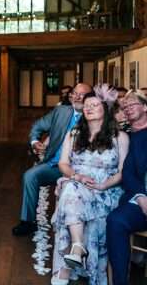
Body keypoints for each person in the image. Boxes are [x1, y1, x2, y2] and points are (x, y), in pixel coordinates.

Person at [50, 87, 128, 285]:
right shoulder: (74, 134)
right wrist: (77, 176)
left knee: (69, 191)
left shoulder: (119, 137)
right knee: (71, 187)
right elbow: (63, 164)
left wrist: (103, 185)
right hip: (78, 181)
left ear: (106, 109)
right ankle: (77, 247)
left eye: (94, 105)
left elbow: (121, 172)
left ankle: (68, 263)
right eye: (86, 106)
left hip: (105, 189)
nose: (89, 108)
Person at [12, 82, 92, 236]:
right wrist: (35, 141)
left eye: (82, 94)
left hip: (80, 169)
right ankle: (28, 222)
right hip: (55, 165)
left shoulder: (95, 115)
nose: (77, 97)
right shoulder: (60, 111)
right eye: (75, 93)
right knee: (30, 176)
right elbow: (37, 126)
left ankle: (74, 228)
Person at [107, 90, 147, 285]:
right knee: (116, 220)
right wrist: (141, 197)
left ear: (145, 107)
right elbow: (128, 173)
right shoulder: (128, 136)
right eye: (125, 106)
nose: (128, 108)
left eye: (132, 104)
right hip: (141, 199)